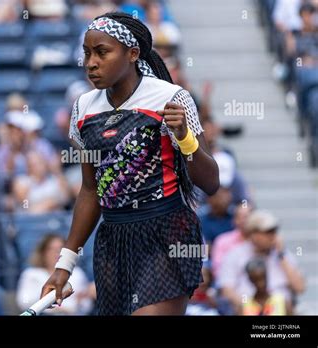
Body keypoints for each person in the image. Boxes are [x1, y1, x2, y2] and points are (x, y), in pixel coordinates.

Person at [41, 12, 219, 315]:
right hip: (112, 241)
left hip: (166, 234)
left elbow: (211, 182)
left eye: (102, 52)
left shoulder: (170, 98)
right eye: (87, 53)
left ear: (132, 54)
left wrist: (183, 136)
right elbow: (89, 191)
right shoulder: (83, 108)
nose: (91, 63)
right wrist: (64, 266)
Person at [217, 210, 305, 314]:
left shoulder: (283, 255)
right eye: (267, 232)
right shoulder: (235, 255)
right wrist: (248, 308)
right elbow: (226, 290)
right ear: (253, 234)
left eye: (274, 231)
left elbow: (300, 288)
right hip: (247, 309)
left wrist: (281, 255)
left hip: (281, 309)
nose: (273, 235)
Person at [17, 234, 93, 315]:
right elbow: (24, 301)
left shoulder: (77, 273)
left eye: (61, 249)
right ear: (43, 253)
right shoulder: (31, 273)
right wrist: (54, 307)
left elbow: (86, 304)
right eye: (51, 249)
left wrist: (74, 306)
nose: (57, 253)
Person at [211, 203, 252, 278]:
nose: (243, 220)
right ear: (234, 220)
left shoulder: (260, 241)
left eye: (246, 217)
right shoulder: (222, 240)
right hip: (226, 281)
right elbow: (217, 269)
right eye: (240, 217)